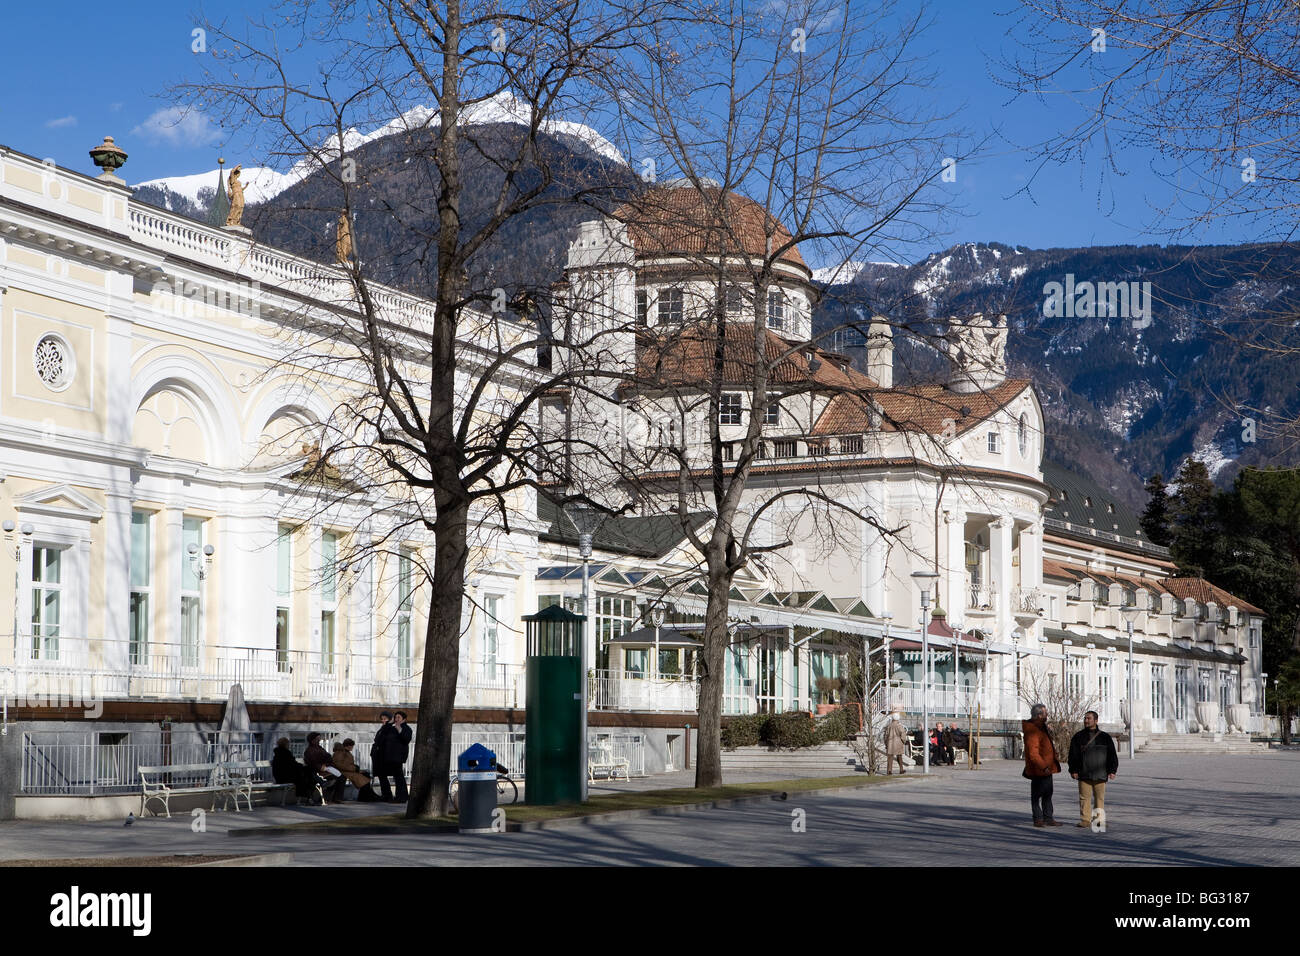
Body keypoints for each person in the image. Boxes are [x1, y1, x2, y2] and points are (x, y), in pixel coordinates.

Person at [1067, 710, 1118, 829]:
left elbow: (1112, 755)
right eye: (1085, 718)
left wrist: (1112, 770)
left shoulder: (1105, 737)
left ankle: (1099, 820)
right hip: (1083, 773)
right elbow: (1072, 755)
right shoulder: (1078, 737)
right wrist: (1073, 770)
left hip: (1101, 773)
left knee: (1099, 798)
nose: (1086, 720)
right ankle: (1085, 820)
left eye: (1089, 718)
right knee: (1084, 798)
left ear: (1096, 720)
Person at [1023, 703, 1063, 827]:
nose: (1047, 715)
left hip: (1047, 768)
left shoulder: (1042, 726)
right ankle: (1038, 818)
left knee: (1048, 794)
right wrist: (1043, 766)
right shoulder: (1033, 729)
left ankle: (1048, 817)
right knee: (1036, 795)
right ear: (1039, 715)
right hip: (1039, 769)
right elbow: (1033, 752)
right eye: (1045, 713)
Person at [373, 710, 411, 803]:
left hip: (397, 758)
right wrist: (389, 724)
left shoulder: (406, 728)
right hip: (387, 758)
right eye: (395, 717)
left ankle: (401, 797)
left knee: (399, 777)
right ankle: (387, 795)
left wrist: (399, 729)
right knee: (382, 775)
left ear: (404, 719)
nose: (396, 719)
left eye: (399, 717)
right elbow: (381, 736)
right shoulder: (391, 728)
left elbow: (406, 739)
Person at [303, 731, 346, 804]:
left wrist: (327, 764)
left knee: (341, 777)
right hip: (318, 771)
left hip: (325, 768)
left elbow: (328, 757)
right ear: (312, 740)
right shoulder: (309, 750)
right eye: (317, 738)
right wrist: (321, 766)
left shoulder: (320, 748)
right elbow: (312, 763)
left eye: (319, 738)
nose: (319, 740)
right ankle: (325, 798)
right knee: (334, 779)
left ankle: (336, 798)